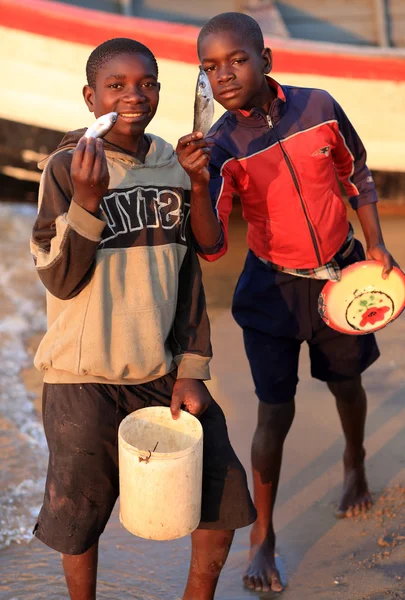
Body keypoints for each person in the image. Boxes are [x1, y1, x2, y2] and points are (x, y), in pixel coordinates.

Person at [176, 12, 396, 594]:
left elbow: (358, 174)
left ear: (266, 59)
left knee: (347, 384)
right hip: (271, 290)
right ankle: (263, 534)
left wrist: (374, 244)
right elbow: (212, 244)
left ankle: (354, 461)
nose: (223, 75)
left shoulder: (319, 107)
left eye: (236, 60)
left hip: (341, 278)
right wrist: (197, 182)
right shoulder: (219, 145)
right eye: (209, 68)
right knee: (275, 410)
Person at [30, 37, 256, 600]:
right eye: (117, 85)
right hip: (82, 377)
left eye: (148, 83)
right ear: (91, 97)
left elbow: (192, 270)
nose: (134, 95)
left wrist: (193, 367)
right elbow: (59, 276)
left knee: (221, 492)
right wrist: (86, 200)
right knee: (79, 515)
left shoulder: (173, 164)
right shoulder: (67, 167)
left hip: (161, 371)